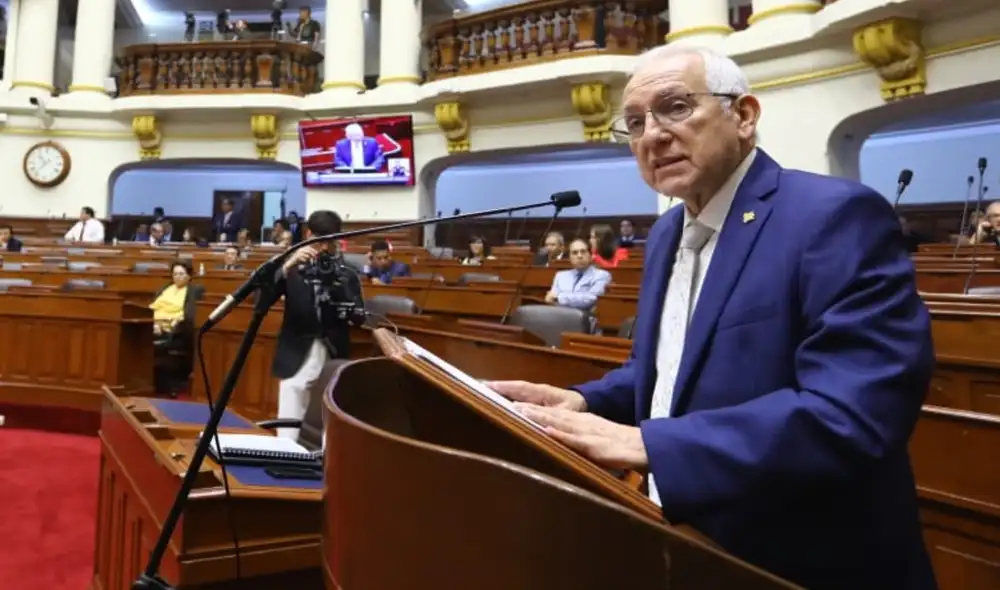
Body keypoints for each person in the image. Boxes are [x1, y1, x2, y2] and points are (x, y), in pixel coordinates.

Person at [489, 45, 935, 590]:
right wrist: (584, 401)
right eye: (634, 122)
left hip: (805, 561)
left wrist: (648, 445)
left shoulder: (833, 216)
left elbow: (853, 414)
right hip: (689, 544)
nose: (652, 134)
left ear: (743, 116)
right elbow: (672, 367)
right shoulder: (665, 235)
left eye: (675, 107)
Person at [272, 210, 365, 440]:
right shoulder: (290, 267)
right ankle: (285, 451)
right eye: (319, 240)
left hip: (333, 349)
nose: (324, 248)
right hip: (297, 347)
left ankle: (326, 461)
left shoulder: (347, 272)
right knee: (292, 393)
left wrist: (338, 284)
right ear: (308, 234)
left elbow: (358, 317)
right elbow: (261, 298)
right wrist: (287, 267)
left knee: (331, 407)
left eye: (330, 241)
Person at [544, 238, 611, 310]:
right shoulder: (560, 276)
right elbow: (550, 299)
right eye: (575, 253)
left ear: (590, 255)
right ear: (569, 257)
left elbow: (591, 299)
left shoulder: (602, 275)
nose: (579, 256)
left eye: (583, 252)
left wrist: (559, 297)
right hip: (560, 316)